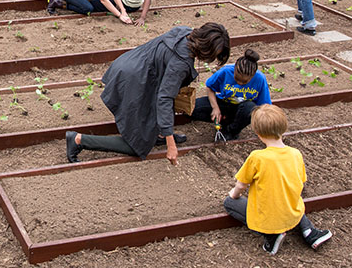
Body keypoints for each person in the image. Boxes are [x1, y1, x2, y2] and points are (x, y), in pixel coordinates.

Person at [66, 23, 232, 164]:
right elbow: (165, 98)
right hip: (133, 82)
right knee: (137, 144)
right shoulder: (181, 63)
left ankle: (157, 133)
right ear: (207, 48)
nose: (211, 59)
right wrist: (170, 144)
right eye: (214, 56)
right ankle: (79, 140)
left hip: (130, 65)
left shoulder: (185, 32)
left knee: (149, 125)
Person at [223, 104, 333, 254]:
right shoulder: (295, 154)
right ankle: (309, 231)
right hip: (292, 213)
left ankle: (271, 236)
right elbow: (301, 183)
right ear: (284, 128)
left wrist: (234, 195)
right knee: (293, 200)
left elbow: (241, 185)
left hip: (268, 217)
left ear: (257, 133)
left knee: (229, 203)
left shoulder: (257, 157)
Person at [190, 48, 271, 141]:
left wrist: (265, 129)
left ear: (252, 76)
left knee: (250, 108)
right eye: (237, 78)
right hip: (223, 103)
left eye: (244, 82)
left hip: (242, 109)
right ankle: (225, 120)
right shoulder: (226, 71)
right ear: (234, 70)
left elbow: (265, 106)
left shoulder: (260, 79)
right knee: (193, 108)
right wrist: (215, 108)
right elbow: (210, 87)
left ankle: (231, 131)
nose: (240, 83)